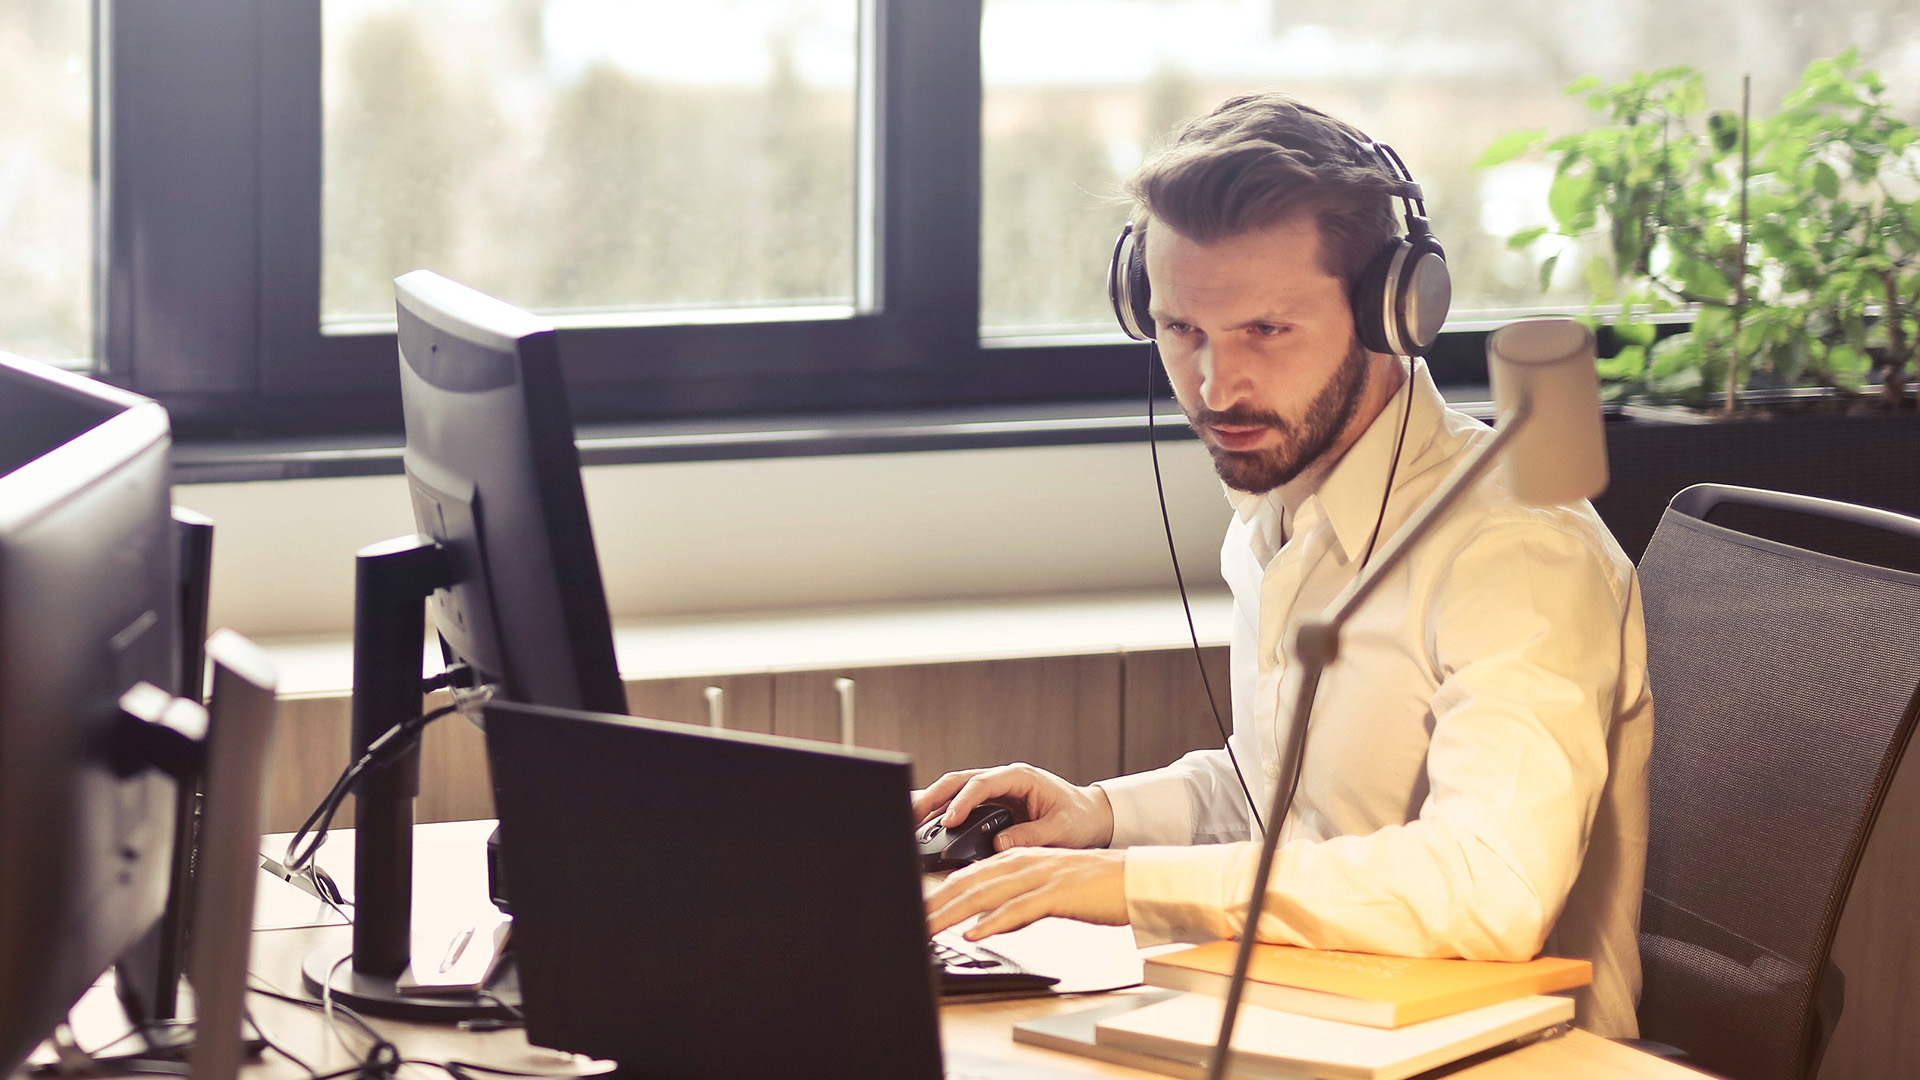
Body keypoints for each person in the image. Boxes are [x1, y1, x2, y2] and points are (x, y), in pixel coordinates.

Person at [918, 93, 1653, 1038]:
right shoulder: (1280, 508)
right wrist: (1100, 817)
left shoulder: (1518, 550)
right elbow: (1289, 802)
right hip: (1314, 1017)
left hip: (1503, 1055)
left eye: (1266, 331)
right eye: (1183, 332)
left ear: (1394, 311)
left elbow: (1489, 889)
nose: (1217, 389)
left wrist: (1129, 884)